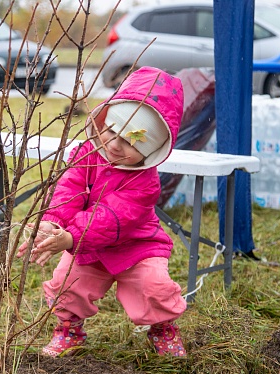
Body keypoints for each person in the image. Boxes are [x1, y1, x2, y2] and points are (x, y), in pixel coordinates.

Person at [17, 67, 187, 357]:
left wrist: (70, 237)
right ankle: (69, 330)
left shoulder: (145, 182)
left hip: (136, 247)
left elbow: (112, 217)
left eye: (130, 142)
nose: (114, 145)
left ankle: (162, 328)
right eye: (110, 132)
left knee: (153, 287)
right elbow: (67, 191)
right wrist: (51, 223)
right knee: (66, 284)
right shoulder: (86, 155)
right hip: (85, 245)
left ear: (151, 150)